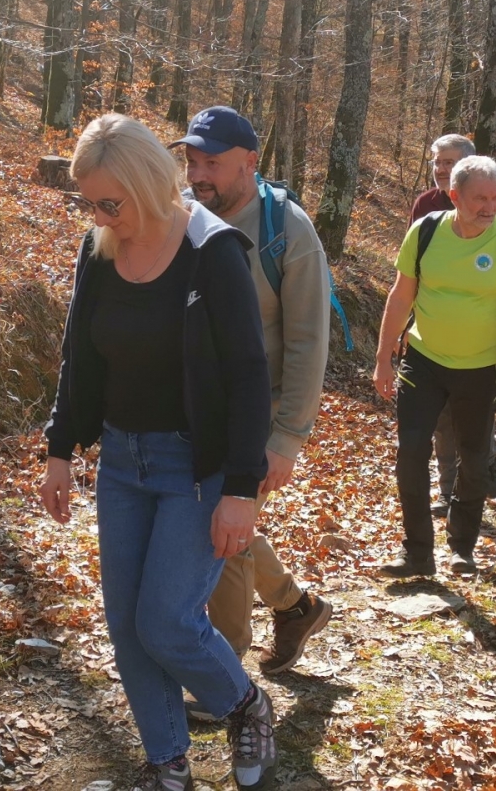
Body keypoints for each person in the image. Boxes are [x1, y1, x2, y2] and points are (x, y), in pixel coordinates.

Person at [38, 114, 277, 791]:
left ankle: (245, 704)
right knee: (126, 626)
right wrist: (61, 449)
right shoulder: (100, 248)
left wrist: (241, 488)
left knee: (166, 620)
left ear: (147, 184)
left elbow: (248, 375)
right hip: (121, 462)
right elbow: (80, 356)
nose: (99, 215)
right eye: (89, 202)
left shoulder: (212, 250)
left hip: (193, 467)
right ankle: (168, 763)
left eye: (109, 202)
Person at [170, 106, 332, 680]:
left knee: (224, 530)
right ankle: (295, 607)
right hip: (196, 407)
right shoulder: (185, 218)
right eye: (192, 161)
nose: (198, 174)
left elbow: (311, 340)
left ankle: (224, 667)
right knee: (222, 524)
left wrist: (287, 437)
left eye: (212, 162)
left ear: (250, 163)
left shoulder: (288, 231)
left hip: (259, 408)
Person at [374, 156, 496, 576]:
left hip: (483, 368)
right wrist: (383, 358)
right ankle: (417, 553)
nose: (488, 206)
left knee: (474, 456)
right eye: (478, 198)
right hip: (424, 360)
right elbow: (400, 296)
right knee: (410, 451)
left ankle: (462, 546)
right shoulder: (426, 231)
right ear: (454, 196)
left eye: (495, 197)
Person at [408, 134, 496, 517]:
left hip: (486, 341)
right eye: (437, 161)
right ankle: (447, 490)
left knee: (473, 420)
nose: (440, 168)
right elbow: (413, 269)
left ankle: (484, 466)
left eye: (449, 162)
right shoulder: (425, 206)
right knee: (440, 420)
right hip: (432, 334)